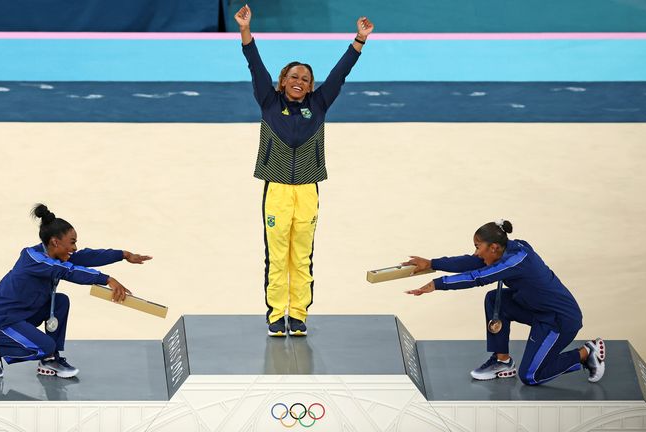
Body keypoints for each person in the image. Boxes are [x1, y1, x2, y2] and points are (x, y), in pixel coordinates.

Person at [234, 4, 373, 337]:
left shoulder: (319, 104)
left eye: (305, 79)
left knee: (302, 256)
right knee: (277, 255)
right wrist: (245, 31)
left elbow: (340, 73)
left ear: (311, 87)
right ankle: (274, 314)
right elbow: (255, 66)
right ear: (282, 82)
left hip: (308, 189)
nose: (299, 81)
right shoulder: (269, 101)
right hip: (277, 190)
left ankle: (297, 315)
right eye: (293, 77)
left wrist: (359, 40)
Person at [403, 220, 606, 385]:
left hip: (559, 320)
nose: (476, 252)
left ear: (493, 247)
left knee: (531, 376)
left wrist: (437, 284)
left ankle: (586, 353)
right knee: (494, 299)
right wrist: (432, 263)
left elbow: (477, 277)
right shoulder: (502, 251)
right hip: (535, 310)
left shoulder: (516, 260)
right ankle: (502, 361)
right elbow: (472, 262)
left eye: (477, 247)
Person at [0, 204, 152, 379]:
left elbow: (87, 256)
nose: (74, 248)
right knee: (44, 346)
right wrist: (108, 280)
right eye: (72, 242)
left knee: (60, 301)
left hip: (20, 314)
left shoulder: (55, 254)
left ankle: (50, 360)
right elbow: (68, 271)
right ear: (55, 242)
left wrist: (123, 255)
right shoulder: (33, 258)